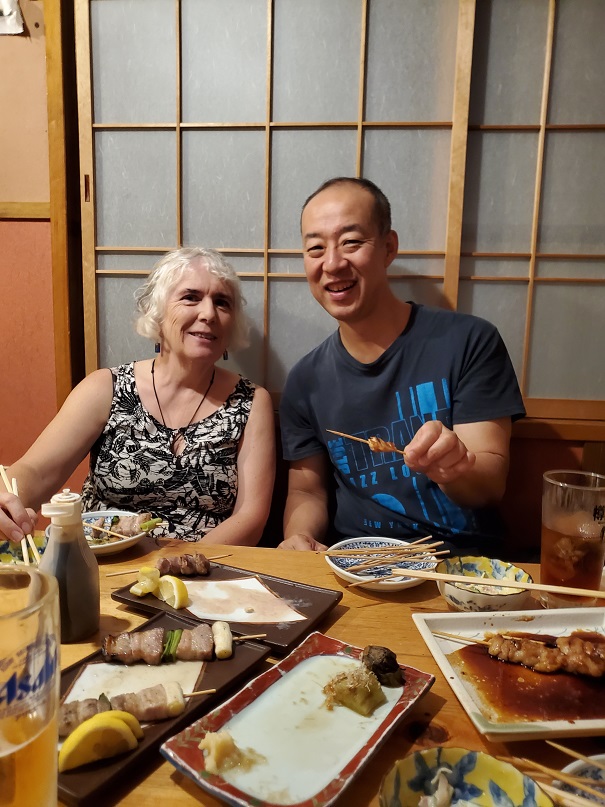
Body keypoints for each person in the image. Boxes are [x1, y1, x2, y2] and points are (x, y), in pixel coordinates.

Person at [278, 177, 525, 553]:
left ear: (388, 247)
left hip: (458, 565)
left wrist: (454, 468)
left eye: (351, 242)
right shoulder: (305, 380)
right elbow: (306, 490)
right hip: (357, 566)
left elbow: (490, 484)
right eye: (315, 248)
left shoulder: (468, 342)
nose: (332, 263)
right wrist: (299, 537)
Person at [0, 247, 275, 545]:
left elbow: (250, 517)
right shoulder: (106, 387)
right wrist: (6, 501)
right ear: (158, 313)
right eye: (190, 297)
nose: (208, 313)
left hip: (203, 572)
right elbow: (37, 471)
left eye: (222, 303)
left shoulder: (250, 401)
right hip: (102, 560)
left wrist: (179, 566)